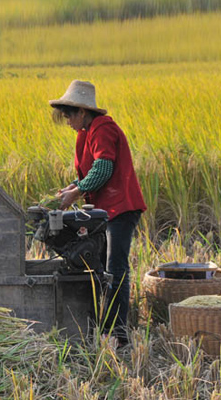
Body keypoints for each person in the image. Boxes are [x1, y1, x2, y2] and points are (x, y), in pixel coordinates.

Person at [49, 80, 147, 345]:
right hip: (105, 212)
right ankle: (105, 326)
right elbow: (90, 172)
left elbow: (103, 170)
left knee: (115, 269)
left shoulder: (103, 129)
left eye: (69, 114)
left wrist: (76, 192)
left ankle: (118, 334)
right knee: (103, 268)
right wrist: (71, 187)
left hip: (121, 208)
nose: (66, 120)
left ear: (83, 112)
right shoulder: (85, 134)